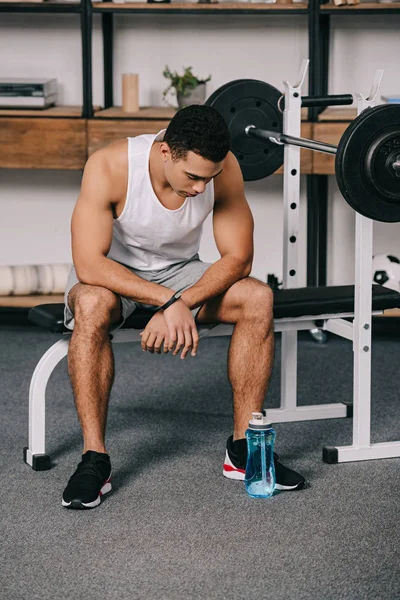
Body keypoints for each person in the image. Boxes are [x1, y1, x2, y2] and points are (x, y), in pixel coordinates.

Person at [61, 104, 305, 509]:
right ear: (164, 153)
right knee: (89, 303)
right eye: (192, 176)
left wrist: (183, 299)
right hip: (113, 275)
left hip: (181, 274)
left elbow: (238, 258)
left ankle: (244, 450)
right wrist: (167, 301)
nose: (198, 188)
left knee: (258, 297)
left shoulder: (222, 170)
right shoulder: (109, 166)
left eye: (206, 179)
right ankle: (94, 458)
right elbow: (89, 263)